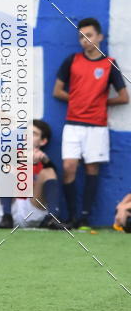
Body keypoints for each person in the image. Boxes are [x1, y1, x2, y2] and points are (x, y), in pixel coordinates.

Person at [53, 17, 128, 229]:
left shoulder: (109, 63)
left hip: (97, 126)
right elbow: (57, 91)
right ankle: (71, 217)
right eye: (81, 37)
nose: (85, 40)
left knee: (92, 168)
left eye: (89, 35)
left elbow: (124, 97)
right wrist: (78, 100)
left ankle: (84, 217)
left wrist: (100, 102)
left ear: (99, 37)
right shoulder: (72, 60)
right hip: (73, 124)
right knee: (69, 167)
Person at [0, 119, 63, 230]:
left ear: (43, 141)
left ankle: (52, 219)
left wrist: (45, 161)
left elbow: (53, 180)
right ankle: (7, 217)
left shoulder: (44, 160)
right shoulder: (12, 153)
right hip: (5, 210)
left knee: (49, 172)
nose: (28, 136)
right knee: (8, 168)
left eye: (33, 134)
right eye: (26, 132)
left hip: (30, 211)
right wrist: (27, 161)